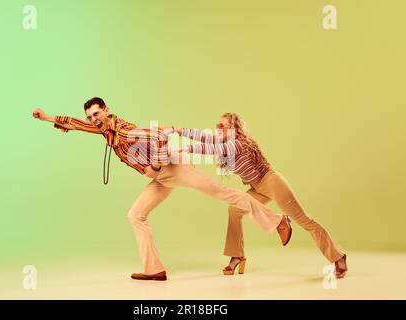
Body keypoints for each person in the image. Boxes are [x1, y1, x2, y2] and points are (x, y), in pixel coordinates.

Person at [32, 99, 292, 281]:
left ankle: (279, 221)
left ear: (107, 111)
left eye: (96, 114)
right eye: (91, 116)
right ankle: (154, 270)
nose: (93, 120)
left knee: (222, 193)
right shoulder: (104, 130)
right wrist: (47, 118)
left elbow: (157, 137)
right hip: (162, 179)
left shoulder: (124, 131)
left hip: (172, 167)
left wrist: (155, 164)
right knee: (136, 215)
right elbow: (77, 123)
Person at [172, 112, 348, 278]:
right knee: (234, 210)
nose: (219, 128)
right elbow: (204, 137)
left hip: (271, 182)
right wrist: (176, 130)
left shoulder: (238, 144)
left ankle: (338, 257)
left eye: (224, 126)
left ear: (235, 129)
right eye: (218, 125)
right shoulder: (225, 141)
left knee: (304, 220)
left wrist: (186, 149)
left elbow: (210, 149)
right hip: (257, 187)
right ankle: (237, 256)